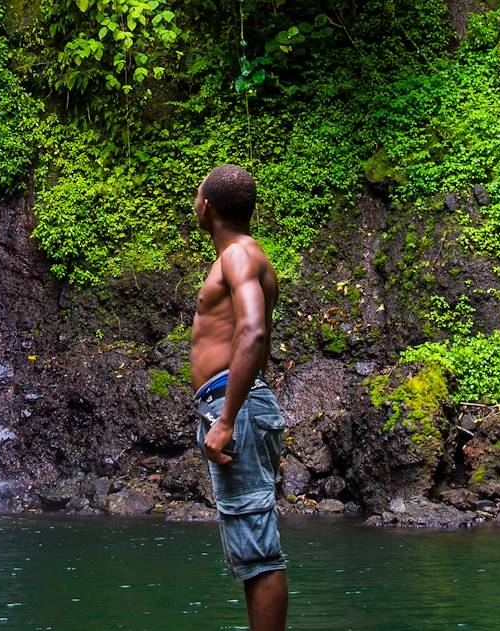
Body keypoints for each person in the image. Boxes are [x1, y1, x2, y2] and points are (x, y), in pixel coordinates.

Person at [190, 164, 287, 630]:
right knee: (250, 545)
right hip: (236, 402)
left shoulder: (238, 257)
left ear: (207, 205)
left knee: (257, 544)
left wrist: (227, 419)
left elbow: (253, 332)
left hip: (236, 404)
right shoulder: (244, 255)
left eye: (197, 195)